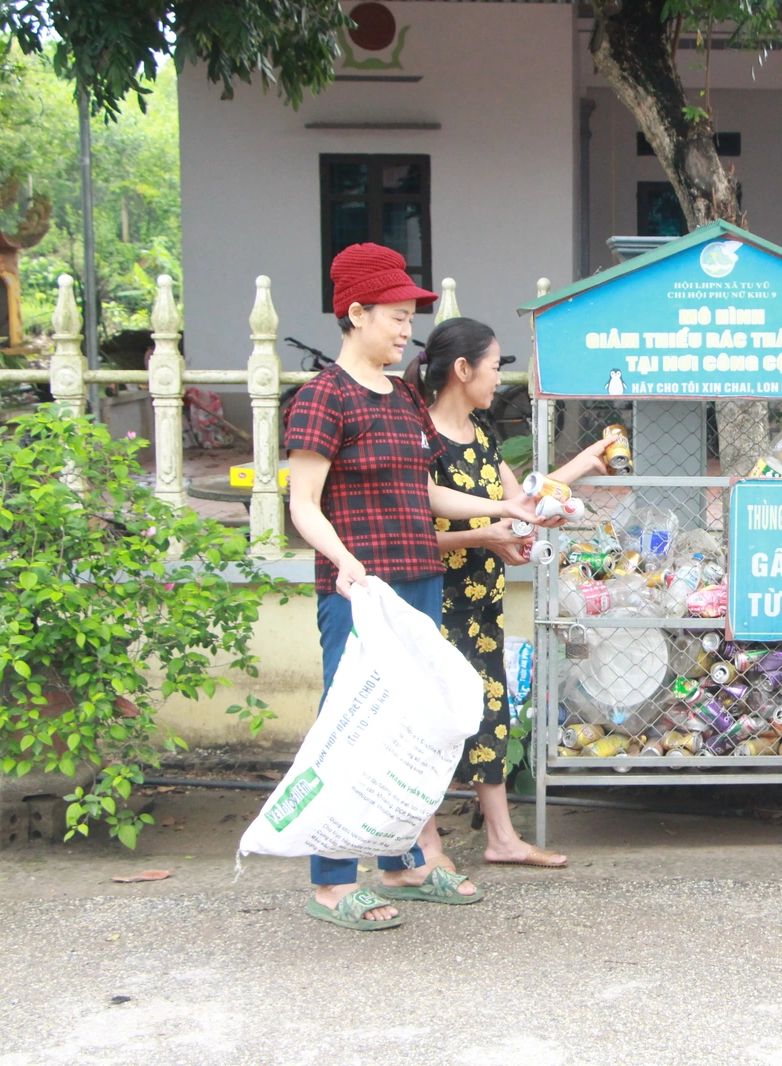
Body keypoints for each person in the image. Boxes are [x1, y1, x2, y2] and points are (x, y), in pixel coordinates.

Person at [285, 243, 548, 931]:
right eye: (396, 316)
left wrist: (503, 507)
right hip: (359, 592)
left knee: (409, 728)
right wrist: (343, 561)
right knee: (353, 726)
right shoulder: (323, 398)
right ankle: (332, 883)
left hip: (421, 582)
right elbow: (303, 504)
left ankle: (402, 863)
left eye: (410, 317)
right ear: (356, 314)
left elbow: (423, 490)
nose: (408, 330)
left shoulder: (402, 397)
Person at [406, 316, 610, 870]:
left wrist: (577, 474)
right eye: (494, 367)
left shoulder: (480, 434)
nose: (499, 379)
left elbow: (521, 506)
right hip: (433, 602)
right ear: (462, 369)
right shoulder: (418, 437)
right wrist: (486, 536)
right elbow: (413, 531)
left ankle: (501, 838)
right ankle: (425, 845)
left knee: (490, 711)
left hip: (481, 605)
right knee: (430, 720)